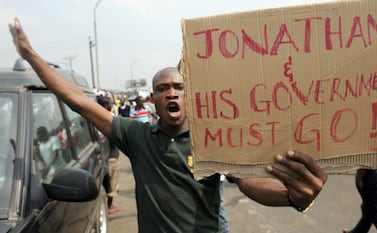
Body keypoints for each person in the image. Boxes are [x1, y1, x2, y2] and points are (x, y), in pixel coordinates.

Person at [9, 19, 327, 232]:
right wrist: (30, 54)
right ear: (153, 100)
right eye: (162, 89)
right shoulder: (135, 136)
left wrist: (291, 197)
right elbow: (79, 101)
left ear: (190, 95)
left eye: (178, 86)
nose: (171, 92)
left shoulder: (211, 139)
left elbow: (245, 183)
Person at [342, 133, 377, 233]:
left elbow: (368, 154)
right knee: (371, 207)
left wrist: (359, 176)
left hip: (372, 175)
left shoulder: (368, 126)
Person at [97, 95, 123, 215]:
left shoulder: (94, 117)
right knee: (112, 180)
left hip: (103, 155)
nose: (111, 106)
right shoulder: (108, 119)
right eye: (109, 104)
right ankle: (109, 205)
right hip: (110, 155)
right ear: (103, 106)